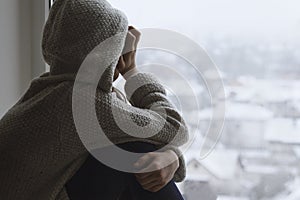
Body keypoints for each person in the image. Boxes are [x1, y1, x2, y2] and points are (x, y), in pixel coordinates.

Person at [0, 0, 189, 199]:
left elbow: (138, 134)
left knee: (122, 150)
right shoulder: (80, 102)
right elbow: (174, 127)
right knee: (134, 150)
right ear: (104, 54)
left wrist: (172, 156)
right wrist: (131, 71)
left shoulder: (48, 91)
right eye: (116, 47)